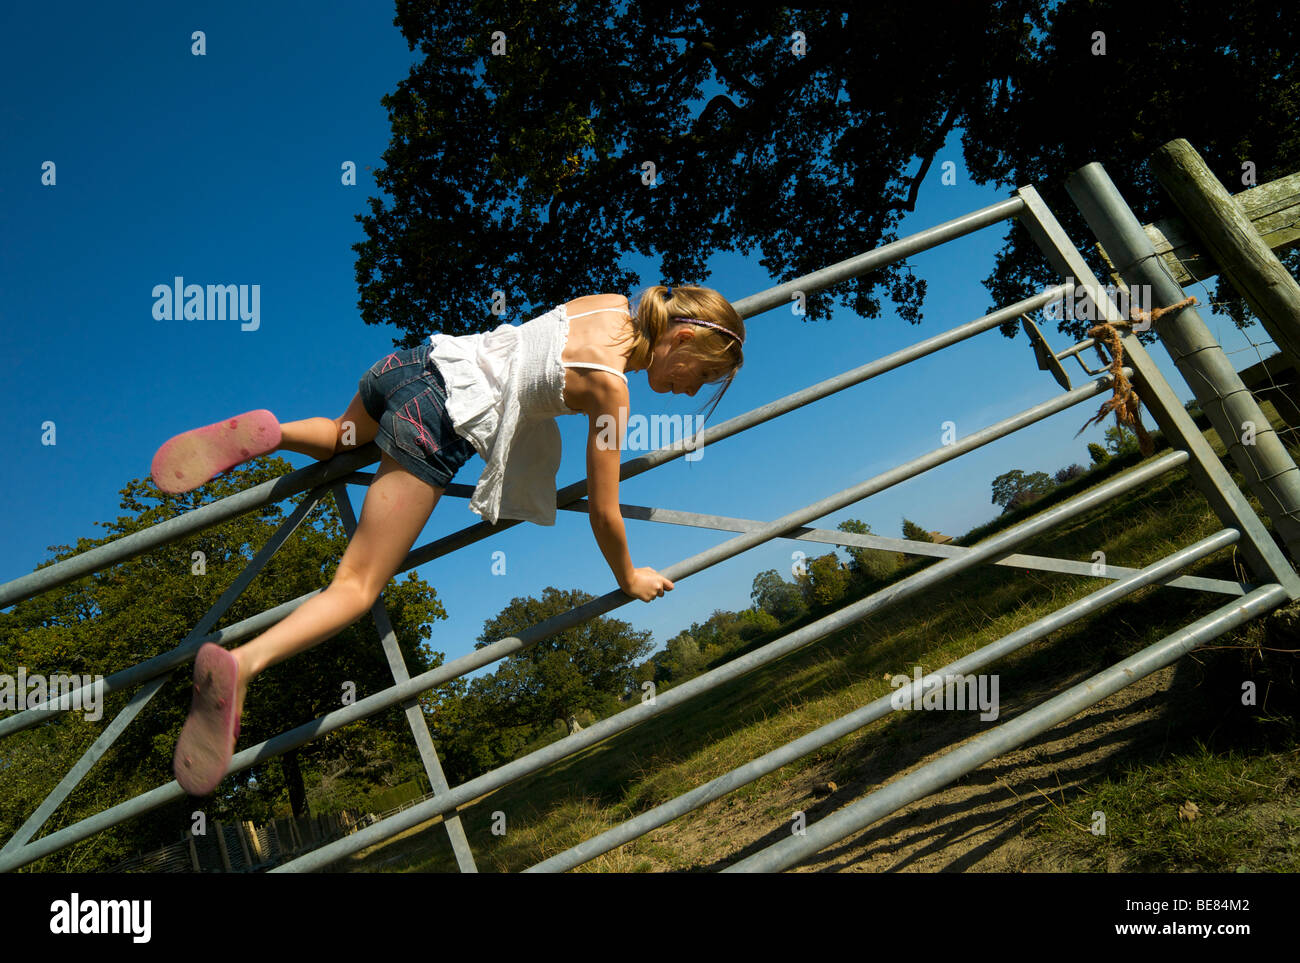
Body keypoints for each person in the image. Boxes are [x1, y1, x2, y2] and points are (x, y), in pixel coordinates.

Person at [152, 284, 745, 795]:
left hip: (411, 365)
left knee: (341, 437)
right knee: (357, 586)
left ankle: (272, 431)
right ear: (686, 339)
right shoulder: (613, 393)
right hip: (435, 420)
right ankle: (241, 664)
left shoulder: (610, 305)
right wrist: (628, 576)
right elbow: (605, 511)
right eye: (704, 376)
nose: (693, 391)